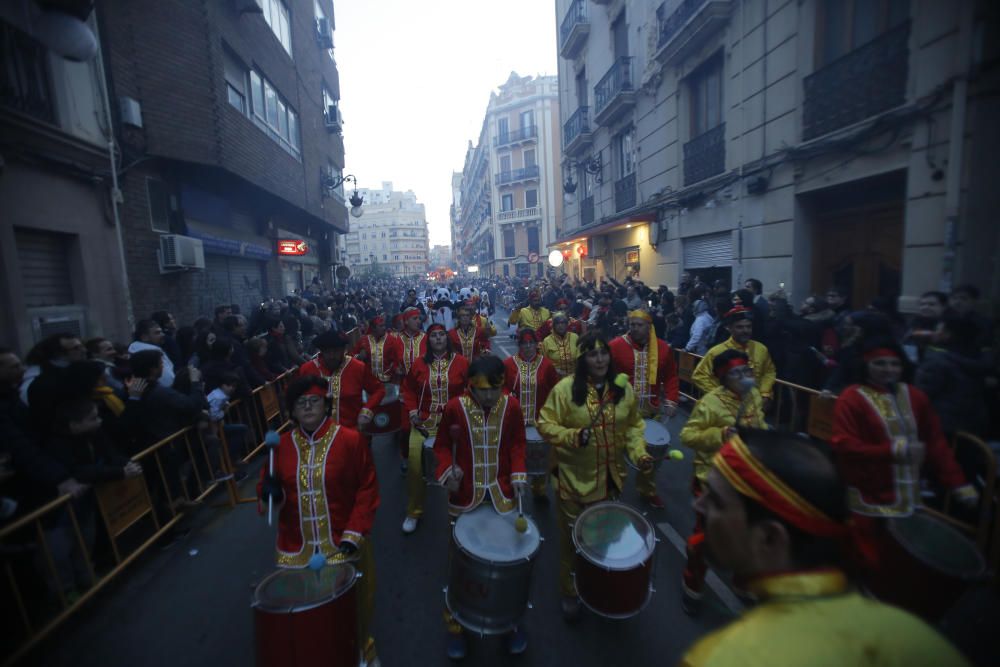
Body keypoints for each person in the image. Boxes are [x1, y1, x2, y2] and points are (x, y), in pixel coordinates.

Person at [678, 429, 970, 667]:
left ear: (770, 539)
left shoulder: (720, 658)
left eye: (715, 501)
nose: (698, 504)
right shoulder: (913, 634)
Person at [830, 338, 978, 620]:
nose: (888, 369)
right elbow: (842, 443)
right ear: (866, 365)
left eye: (894, 364)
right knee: (864, 556)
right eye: (880, 363)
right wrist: (892, 451)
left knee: (898, 559)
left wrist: (957, 483)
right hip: (866, 493)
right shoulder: (852, 396)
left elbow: (935, 442)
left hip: (905, 494)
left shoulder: (915, 397)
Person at [257, 376, 380, 666]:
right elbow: (268, 501)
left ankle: (363, 651)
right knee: (307, 614)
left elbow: (367, 488)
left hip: (343, 544)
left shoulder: (350, 440)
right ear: (292, 411)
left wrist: (354, 533)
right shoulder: (280, 448)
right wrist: (269, 493)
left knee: (356, 608)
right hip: (295, 549)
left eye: (314, 401)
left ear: (326, 404)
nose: (308, 407)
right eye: (301, 403)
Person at [536, 332, 654, 621]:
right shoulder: (565, 390)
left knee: (604, 539)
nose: (599, 359)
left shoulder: (623, 390)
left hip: (611, 481)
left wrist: (640, 453)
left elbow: (634, 427)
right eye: (592, 354)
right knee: (573, 543)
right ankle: (569, 590)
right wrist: (573, 436)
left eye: (603, 353)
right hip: (573, 483)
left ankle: (600, 585)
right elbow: (544, 424)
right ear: (582, 359)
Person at [432, 354, 529, 659]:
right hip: (465, 497)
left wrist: (517, 474)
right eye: (482, 390)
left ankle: (511, 621)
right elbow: (442, 446)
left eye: (494, 390)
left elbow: (516, 443)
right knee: (459, 565)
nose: (488, 396)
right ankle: (455, 626)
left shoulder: (511, 406)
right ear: (470, 386)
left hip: (501, 494)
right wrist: (447, 472)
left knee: (507, 563)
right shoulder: (454, 408)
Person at [678, 350, 767, 615]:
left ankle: (743, 582)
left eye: (747, 372)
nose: (744, 378)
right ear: (722, 378)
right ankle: (692, 584)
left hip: (748, 479)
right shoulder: (710, 402)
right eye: (736, 373)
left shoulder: (753, 398)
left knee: (749, 535)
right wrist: (721, 434)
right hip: (713, 481)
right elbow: (688, 435)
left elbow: (760, 426)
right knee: (704, 539)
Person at [400, 323, 469, 533]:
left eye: (441, 335)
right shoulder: (419, 364)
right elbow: (408, 389)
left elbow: (471, 389)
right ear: (428, 340)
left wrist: (462, 409)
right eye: (433, 336)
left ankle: (463, 507)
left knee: (461, 467)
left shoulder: (462, 362)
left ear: (446, 339)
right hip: (424, 424)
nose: (438, 339)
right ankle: (414, 512)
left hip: (454, 426)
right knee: (414, 467)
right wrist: (412, 412)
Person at [609, 310, 679, 509]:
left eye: (639, 325)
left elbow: (672, 377)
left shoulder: (663, 348)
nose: (634, 328)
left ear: (649, 327)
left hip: (650, 412)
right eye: (632, 324)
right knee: (616, 455)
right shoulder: (615, 346)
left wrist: (672, 400)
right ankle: (614, 491)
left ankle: (647, 490)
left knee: (649, 458)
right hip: (621, 412)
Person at [503, 329, 558, 500]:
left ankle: (539, 489)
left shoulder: (547, 365)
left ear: (536, 344)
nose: (527, 347)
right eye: (523, 343)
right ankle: (512, 487)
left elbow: (554, 390)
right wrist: (507, 395)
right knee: (512, 456)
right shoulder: (508, 364)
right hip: (515, 421)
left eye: (531, 343)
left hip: (540, 421)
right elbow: (502, 387)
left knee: (539, 458)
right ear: (518, 345)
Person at [915, 315, 990, 438]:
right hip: (971, 424)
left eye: (938, 329)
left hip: (940, 425)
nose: (933, 333)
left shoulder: (936, 362)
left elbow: (922, 395)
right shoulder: (977, 359)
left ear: (947, 334)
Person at [692, 307, 776, 407]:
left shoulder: (761, 349)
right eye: (739, 327)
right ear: (729, 328)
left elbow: (769, 372)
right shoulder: (717, 351)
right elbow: (699, 376)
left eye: (748, 327)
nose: (745, 330)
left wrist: (765, 394)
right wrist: (721, 396)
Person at [299, 331, 383, 430]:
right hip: (317, 437)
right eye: (327, 351)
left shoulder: (357, 368)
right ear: (321, 351)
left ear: (344, 350)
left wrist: (366, 411)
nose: (331, 356)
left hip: (352, 433)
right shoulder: (307, 369)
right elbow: (296, 397)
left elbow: (379, 390)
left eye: (336, 351)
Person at [394, 307, 427, 473]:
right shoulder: (396, 339)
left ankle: (429, 458)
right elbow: (388, 359)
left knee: (428, 425)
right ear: (406, 321)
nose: (418, 321)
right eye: (414, 318)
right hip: (405, 389)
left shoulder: (426, 338)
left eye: (419, 318)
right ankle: (405, 456)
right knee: (406, 428)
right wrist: (395, 369)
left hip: (425, 390)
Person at [354, 315, 402, 383]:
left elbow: (396, 360)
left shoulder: (392, 340)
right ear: (373, 328)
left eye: (384, 325)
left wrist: (390, 370)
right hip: (368, 381)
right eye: (381, 326)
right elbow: (351, 357)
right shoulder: (363, 340)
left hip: (387, 380)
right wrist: (359, 356)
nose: (384, 328)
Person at [128, 320, 175, 388]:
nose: (163, 335)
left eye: (161, 332)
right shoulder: (153, 352)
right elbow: (168, 379)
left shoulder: (134, 349)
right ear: (144, 337)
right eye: (157, 333)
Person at [540, 311, 580, 378]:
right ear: (553, 326)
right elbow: (543, 362)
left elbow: (580, 357)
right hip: (554, 378)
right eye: (557, 323)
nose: (560, 325)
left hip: (574, 378)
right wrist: (555, 370)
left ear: (567, 324)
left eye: (563, 323)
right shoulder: (547, 341)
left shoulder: (575, 337)